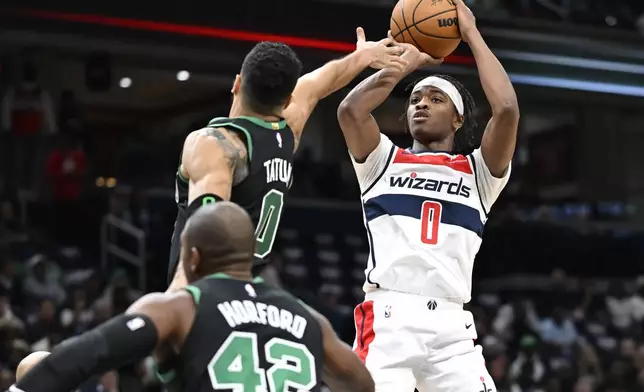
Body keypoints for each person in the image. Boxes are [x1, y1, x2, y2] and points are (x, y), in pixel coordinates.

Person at [336, 0, 519, 391]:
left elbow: (505, 109)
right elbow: (351, 111)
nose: (421, 104)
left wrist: (470, 34)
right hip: (389, 318)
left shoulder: (478, 173)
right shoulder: (382, 162)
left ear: (457, 119)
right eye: (416, 100)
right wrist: (405, 65)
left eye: (436, 100)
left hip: (452, 327)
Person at [10, 202, 374, 392]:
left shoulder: (181, 306)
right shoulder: (311, 319)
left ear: (194, 257)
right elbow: (361, 384)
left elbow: (93, 351)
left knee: (36, 363)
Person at [167, 28, 407, 290]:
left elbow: (206, 237)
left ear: (237, 83)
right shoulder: (289, 129)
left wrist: (177, 299)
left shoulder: (214, 145)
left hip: (209, 293)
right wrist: (363, 57)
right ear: (289, 98)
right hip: (251, 292)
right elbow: (323, 81)